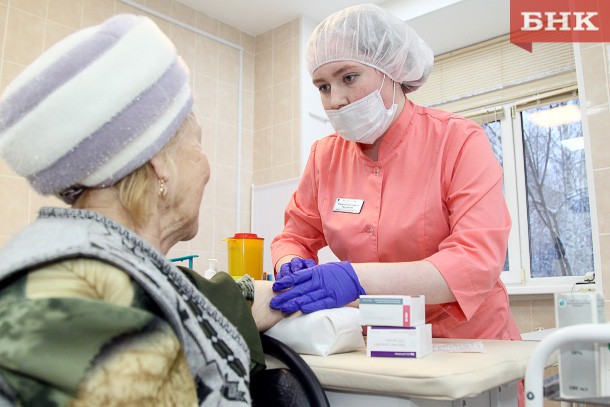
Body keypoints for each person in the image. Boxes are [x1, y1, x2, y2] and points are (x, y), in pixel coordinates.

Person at [0, 14, 283, 406]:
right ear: (160, 165)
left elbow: (196, 296)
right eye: (197, 144)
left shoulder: (105, 262)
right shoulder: (81, 295)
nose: (206, 168)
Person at [269, 4, 521, 342]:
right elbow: (295, 237)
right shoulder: (324, 157)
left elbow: (475, 261)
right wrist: (289, 262)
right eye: (323, 86)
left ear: (391, 70)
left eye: (348, 77)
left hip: (465, 344)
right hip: (375, 340)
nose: (336, 101)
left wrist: (355, 278)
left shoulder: (458, 141)